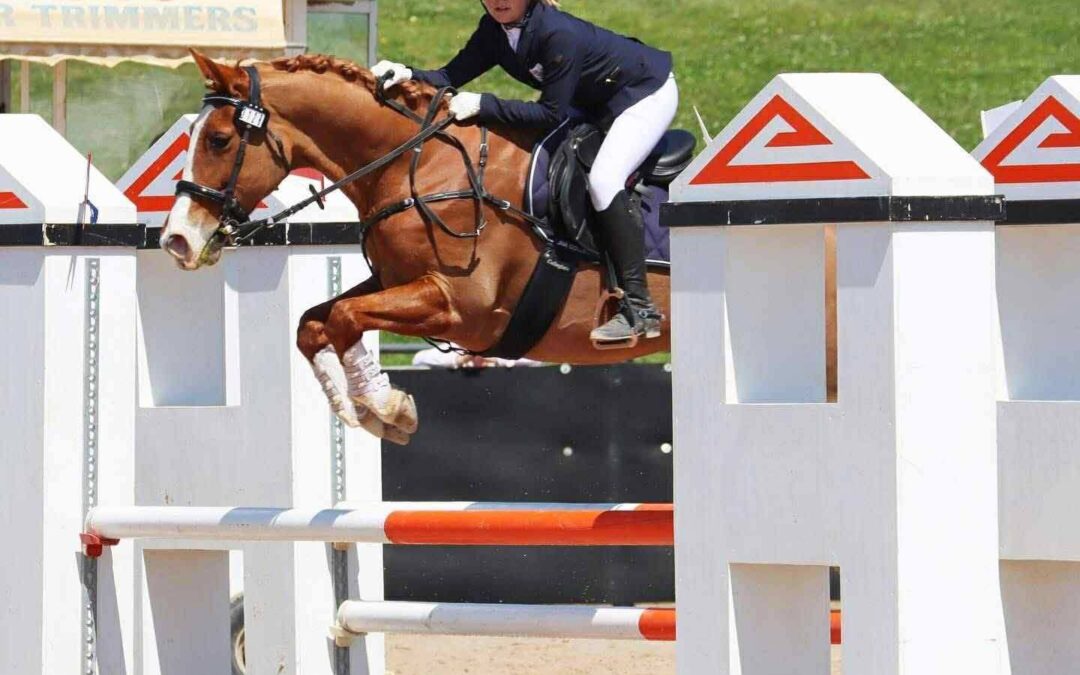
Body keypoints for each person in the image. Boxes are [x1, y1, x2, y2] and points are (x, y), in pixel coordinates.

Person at [371, 0, 678, 346]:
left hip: (643, 94)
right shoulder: (494, 30)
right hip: (594, 99)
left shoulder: (557, 33)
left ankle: (640, 308)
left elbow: (550, 113)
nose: (500, 1)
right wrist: (408, 73)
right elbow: (449, 77)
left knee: (604, 180)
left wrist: (485, 104)